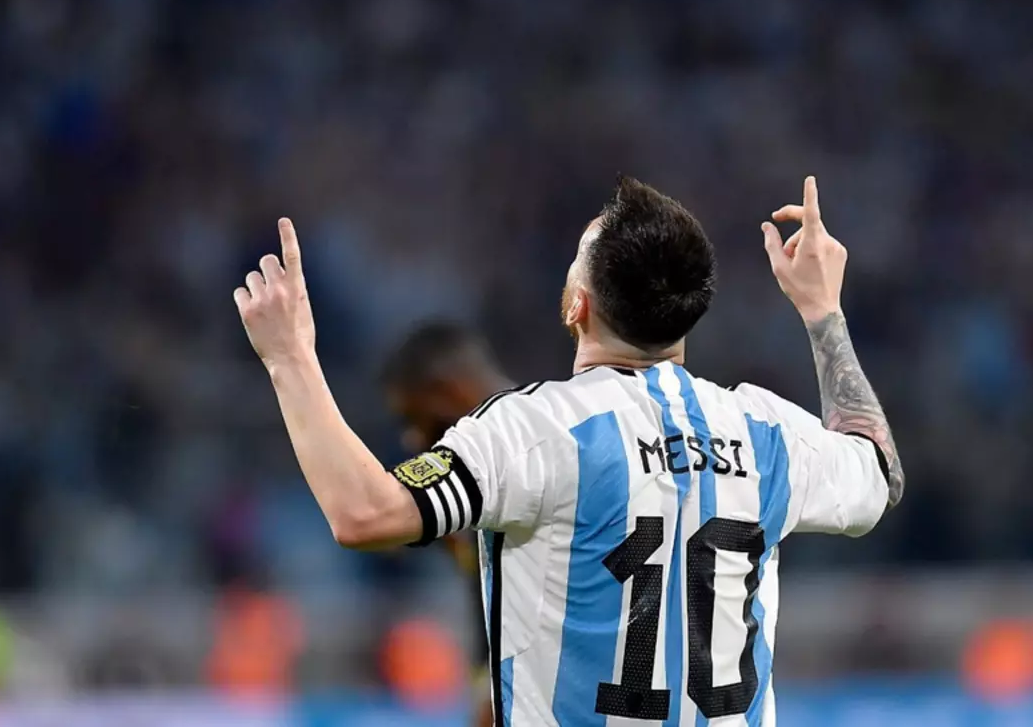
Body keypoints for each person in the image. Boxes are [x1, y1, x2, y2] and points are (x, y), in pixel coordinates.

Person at [234, 176, 905, 726]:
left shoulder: (537, 430)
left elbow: (366, 512)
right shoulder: (766, 432)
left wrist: (290, 357)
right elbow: (878, 470)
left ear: (576, 305)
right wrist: (822, 311)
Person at [380, 321, 514, 727]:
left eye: (414, 417)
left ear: (448, 390)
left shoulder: (518, 455)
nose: (412, 439)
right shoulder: (474, 475)